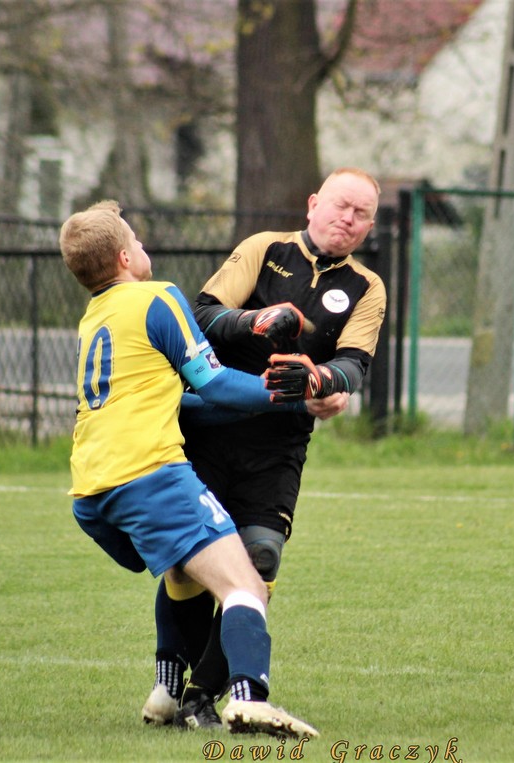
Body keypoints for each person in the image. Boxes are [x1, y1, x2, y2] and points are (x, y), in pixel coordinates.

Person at [60, 199, 319, 740]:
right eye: (139, 238)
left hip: (91, 492)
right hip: (149, 475)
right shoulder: (158, 296)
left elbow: (183, 402)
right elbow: (216, 382)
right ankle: (250, 698)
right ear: (128, 256)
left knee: (183, 571)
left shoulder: (96, 317)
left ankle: (164, 691)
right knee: (245, 584)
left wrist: (277, 402)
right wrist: (290, 395)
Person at [143, 168, 386, 729]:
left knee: (260, 559)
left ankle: (203, 695)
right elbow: (203, 315)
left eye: (362, 214)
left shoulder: (367, 287)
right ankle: (167, 678)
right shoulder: (263, 249)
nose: (348, 220)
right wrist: (257, 321)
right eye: (341, 206)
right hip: (209, 428)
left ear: (370, 225)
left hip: (278, 444)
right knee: (189, 564)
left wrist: (321, 382)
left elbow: (354, 365)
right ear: (313, 203)